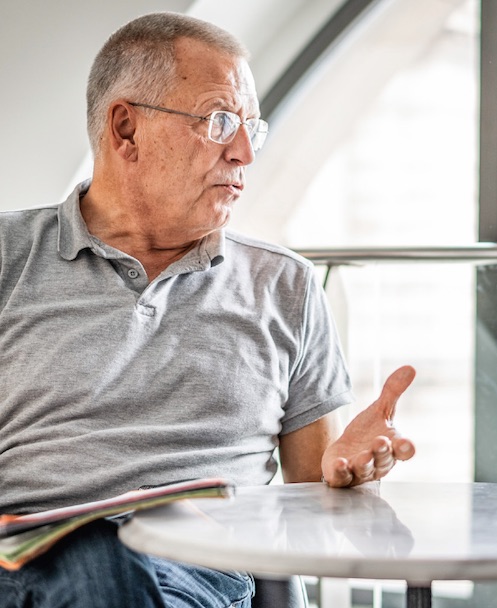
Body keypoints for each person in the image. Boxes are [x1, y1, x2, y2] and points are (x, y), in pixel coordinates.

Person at [0, 11, 416, 608]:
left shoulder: (287, 286)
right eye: (221, 121)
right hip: (24, 574)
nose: (245, 151)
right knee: (95, 560)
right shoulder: (7, 258)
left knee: (113, 571)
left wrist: (350, 472)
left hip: (202, 581)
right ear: (125, 129)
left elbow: (316, 497)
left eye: (252, 127)